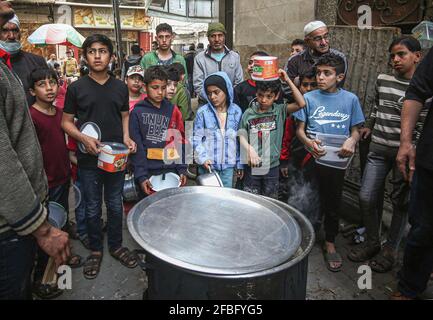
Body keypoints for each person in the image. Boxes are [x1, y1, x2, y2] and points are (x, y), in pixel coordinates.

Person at [0, 0, 69, 300]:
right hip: (14, 220)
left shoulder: (57, 112)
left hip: (42, 194)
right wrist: (42, 230)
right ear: (33, 91)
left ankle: (50, 279)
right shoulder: (37, 114)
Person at [347, 37, 427, 273]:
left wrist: (414, 150)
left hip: (405, 155)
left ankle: (391, 249)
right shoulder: (383, 80)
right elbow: (375, 106)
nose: (395, 60)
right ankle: (373, 241)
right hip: (378, 150)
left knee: (400, 202)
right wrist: (370, 125)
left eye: (401, 54)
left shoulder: (424, 88)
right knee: (366, 196)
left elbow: (422, 123)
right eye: (392, 55)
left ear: (417, 56)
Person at [62, 34, 138, 280]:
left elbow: (125, 116)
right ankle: (96, 249)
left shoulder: (120, 87)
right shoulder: (76, 88)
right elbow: (65, 123)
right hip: (88, 159)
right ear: (85, 56)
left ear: (111, 57)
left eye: (103, 51)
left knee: (115, 204)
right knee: (93, 206)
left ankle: (115, 245)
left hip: (114, 157)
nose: (97, 55)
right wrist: (83, 139)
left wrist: (126, 138)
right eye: (92, 51)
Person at [293, 53, 364, 272]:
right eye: (318, 73)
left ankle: (330, 241)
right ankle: (304, 236)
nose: (320, 77)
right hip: (312, 158)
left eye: (327, 73)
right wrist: (309, 142)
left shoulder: (350, 99)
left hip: (336, 162)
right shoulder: (310, 98)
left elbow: (356, 129)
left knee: (332, 202)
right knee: (307, 197)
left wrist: (352, 140)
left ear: (339, 76)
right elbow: (300, 130)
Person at [27, 67, 83, 299]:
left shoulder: (60, 113)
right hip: (44, 184)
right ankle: (43, 278)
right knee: (47, 230)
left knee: (59, 225)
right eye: (42, 84)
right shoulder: (31, 117)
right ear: (32, 90)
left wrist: (73, 160)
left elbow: (61, 145)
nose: (50, 88)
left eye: (53, 82)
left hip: (62, 177)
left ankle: (64, 259)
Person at [391, 45, 433, 299]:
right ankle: (410, 286)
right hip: (431, 161)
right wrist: (406, 142)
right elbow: (417, 92)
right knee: (423, 228)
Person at [239, 70, 306, 199]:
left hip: (272, 166)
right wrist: (249, 149)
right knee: (251, 200)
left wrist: (287, 79)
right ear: (256, 94)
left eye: (269, 96)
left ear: (276, 96)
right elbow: (241, 134)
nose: (264, 100)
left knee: (270, 200)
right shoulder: (248, 113)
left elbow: (301, 103)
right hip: (253, 166)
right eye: (260, 95)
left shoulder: (279, 110)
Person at [129, 66, 188, 196]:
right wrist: (141, 176)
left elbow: (181, 141)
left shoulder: (173, 111)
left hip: (172, 170)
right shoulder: (137, 113)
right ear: (144, 87)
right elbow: (136, 147)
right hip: (148, 173)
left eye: (163, 87)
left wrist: (183, 169)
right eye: (155, 88)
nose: (160, 92)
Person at [193, 72, 243, 188]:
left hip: (228, 167)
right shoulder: (203, 112)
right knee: (207, 199)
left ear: (226, 90)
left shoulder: (236, 111)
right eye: (209, 93)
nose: (212, 97)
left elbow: (240, 139)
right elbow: (196, 139)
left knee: (225, 199)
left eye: (216, 92)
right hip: (208, 167)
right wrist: (203, 158)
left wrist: (240, 163)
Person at [278, 68, 317, 203]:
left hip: (314, 160)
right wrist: (284, 161)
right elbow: (286, 137)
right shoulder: (294, 112)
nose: (308, 88)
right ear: (299, 87)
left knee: (311, 194)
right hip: (295, 158)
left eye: (313, 85)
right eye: (305, 85)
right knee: (293, 191)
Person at [284, 20, 347, 99]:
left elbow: (338, 86)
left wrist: (299, 83)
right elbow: (287, 90)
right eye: (318, 39)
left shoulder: (339, 58)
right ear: (307, 41)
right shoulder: (294, 60)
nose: (323, 42)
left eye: (326, 36)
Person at [0, 14, 47, 105]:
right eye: (5, 30)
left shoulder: (37, 62)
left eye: (15, 30)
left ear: (20, 33)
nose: (12, 36)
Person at [193, 22, 243, 104]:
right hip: (207, 103)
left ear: (224, 37)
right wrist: (213, 99)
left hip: (229, 102)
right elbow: (198, 86)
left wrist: (226, 99)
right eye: (213, 36)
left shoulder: (234, 57)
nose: (217, 39)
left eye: (220, 35)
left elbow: (238, 83)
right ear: (208, 38)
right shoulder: (200, 59)